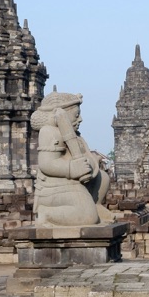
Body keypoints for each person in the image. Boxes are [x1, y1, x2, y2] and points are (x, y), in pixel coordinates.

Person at [31, 92, 114, 226]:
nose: (80, 119)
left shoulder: (74, 135)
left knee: (103, 177)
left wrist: (91, 161)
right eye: (76, 115)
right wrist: (71, 168)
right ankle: (45, 213)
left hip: (75, 182)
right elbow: (46, 163)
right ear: (60, 115)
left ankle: (95, 205)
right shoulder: (49, 132)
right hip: (55, 186)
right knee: (88, 217)